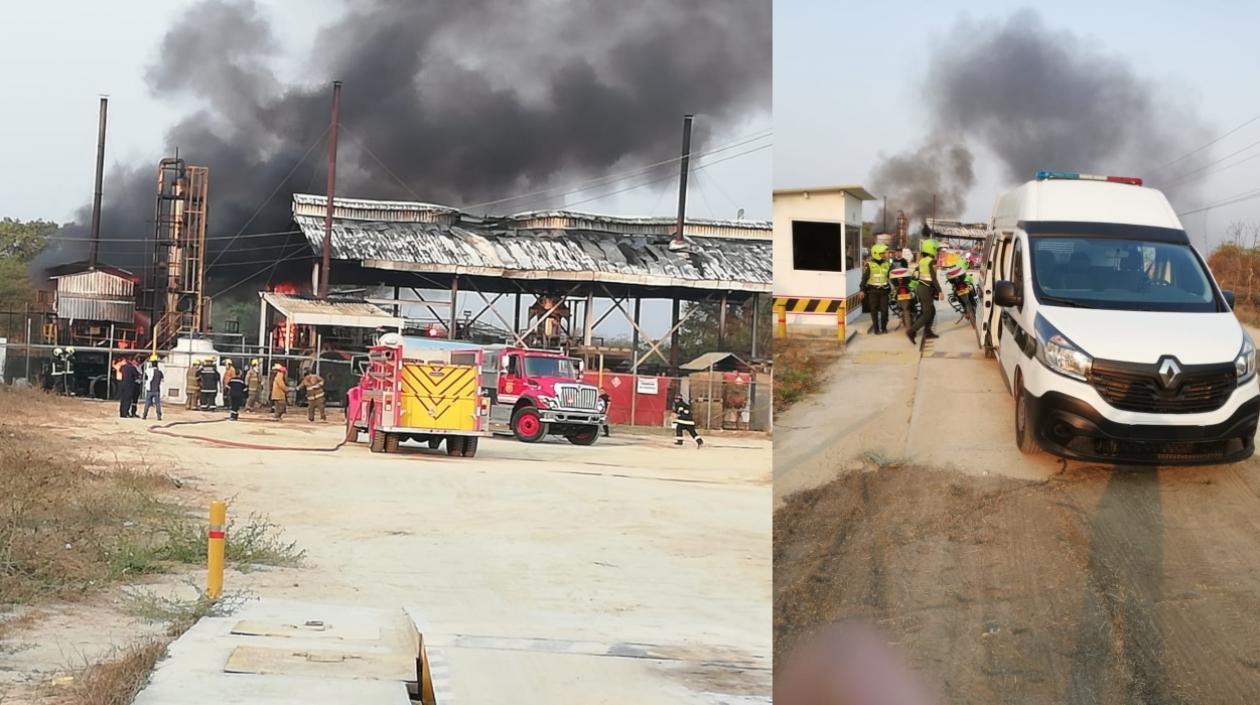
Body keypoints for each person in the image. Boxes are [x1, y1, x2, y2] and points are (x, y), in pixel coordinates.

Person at [907, 238, 942, 345]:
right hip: (926, 289)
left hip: (921, 288)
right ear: (931, 249)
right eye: (936, 249)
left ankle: (928, 331)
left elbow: (917, 272)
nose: (937, 251)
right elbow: (933, 278)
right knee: (927, 313)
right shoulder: (931, 261)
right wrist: (940, 291)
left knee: (932, 311)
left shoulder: (922, 260)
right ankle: (911, 331)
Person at [860, 243, 892, 335]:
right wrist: (862, 290)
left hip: (884, 291)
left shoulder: (887, 264)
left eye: (884, 253)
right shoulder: (869, 265)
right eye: (882, 253)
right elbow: (864, 278)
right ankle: (876, 329)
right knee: (874, 311)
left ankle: (884, 328)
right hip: (872, 291)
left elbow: (891, 276)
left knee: (884, 311)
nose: (885, 254)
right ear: (876, 253)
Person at [142, 355, 164, 421]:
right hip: (157, 390)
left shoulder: (148, 371)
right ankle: (159, 417)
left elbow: (145, 378)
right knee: (157, 404)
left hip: (149, 389)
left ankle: (144, 416)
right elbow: (162, 380)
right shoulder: (160, 372)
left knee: (147, 403)